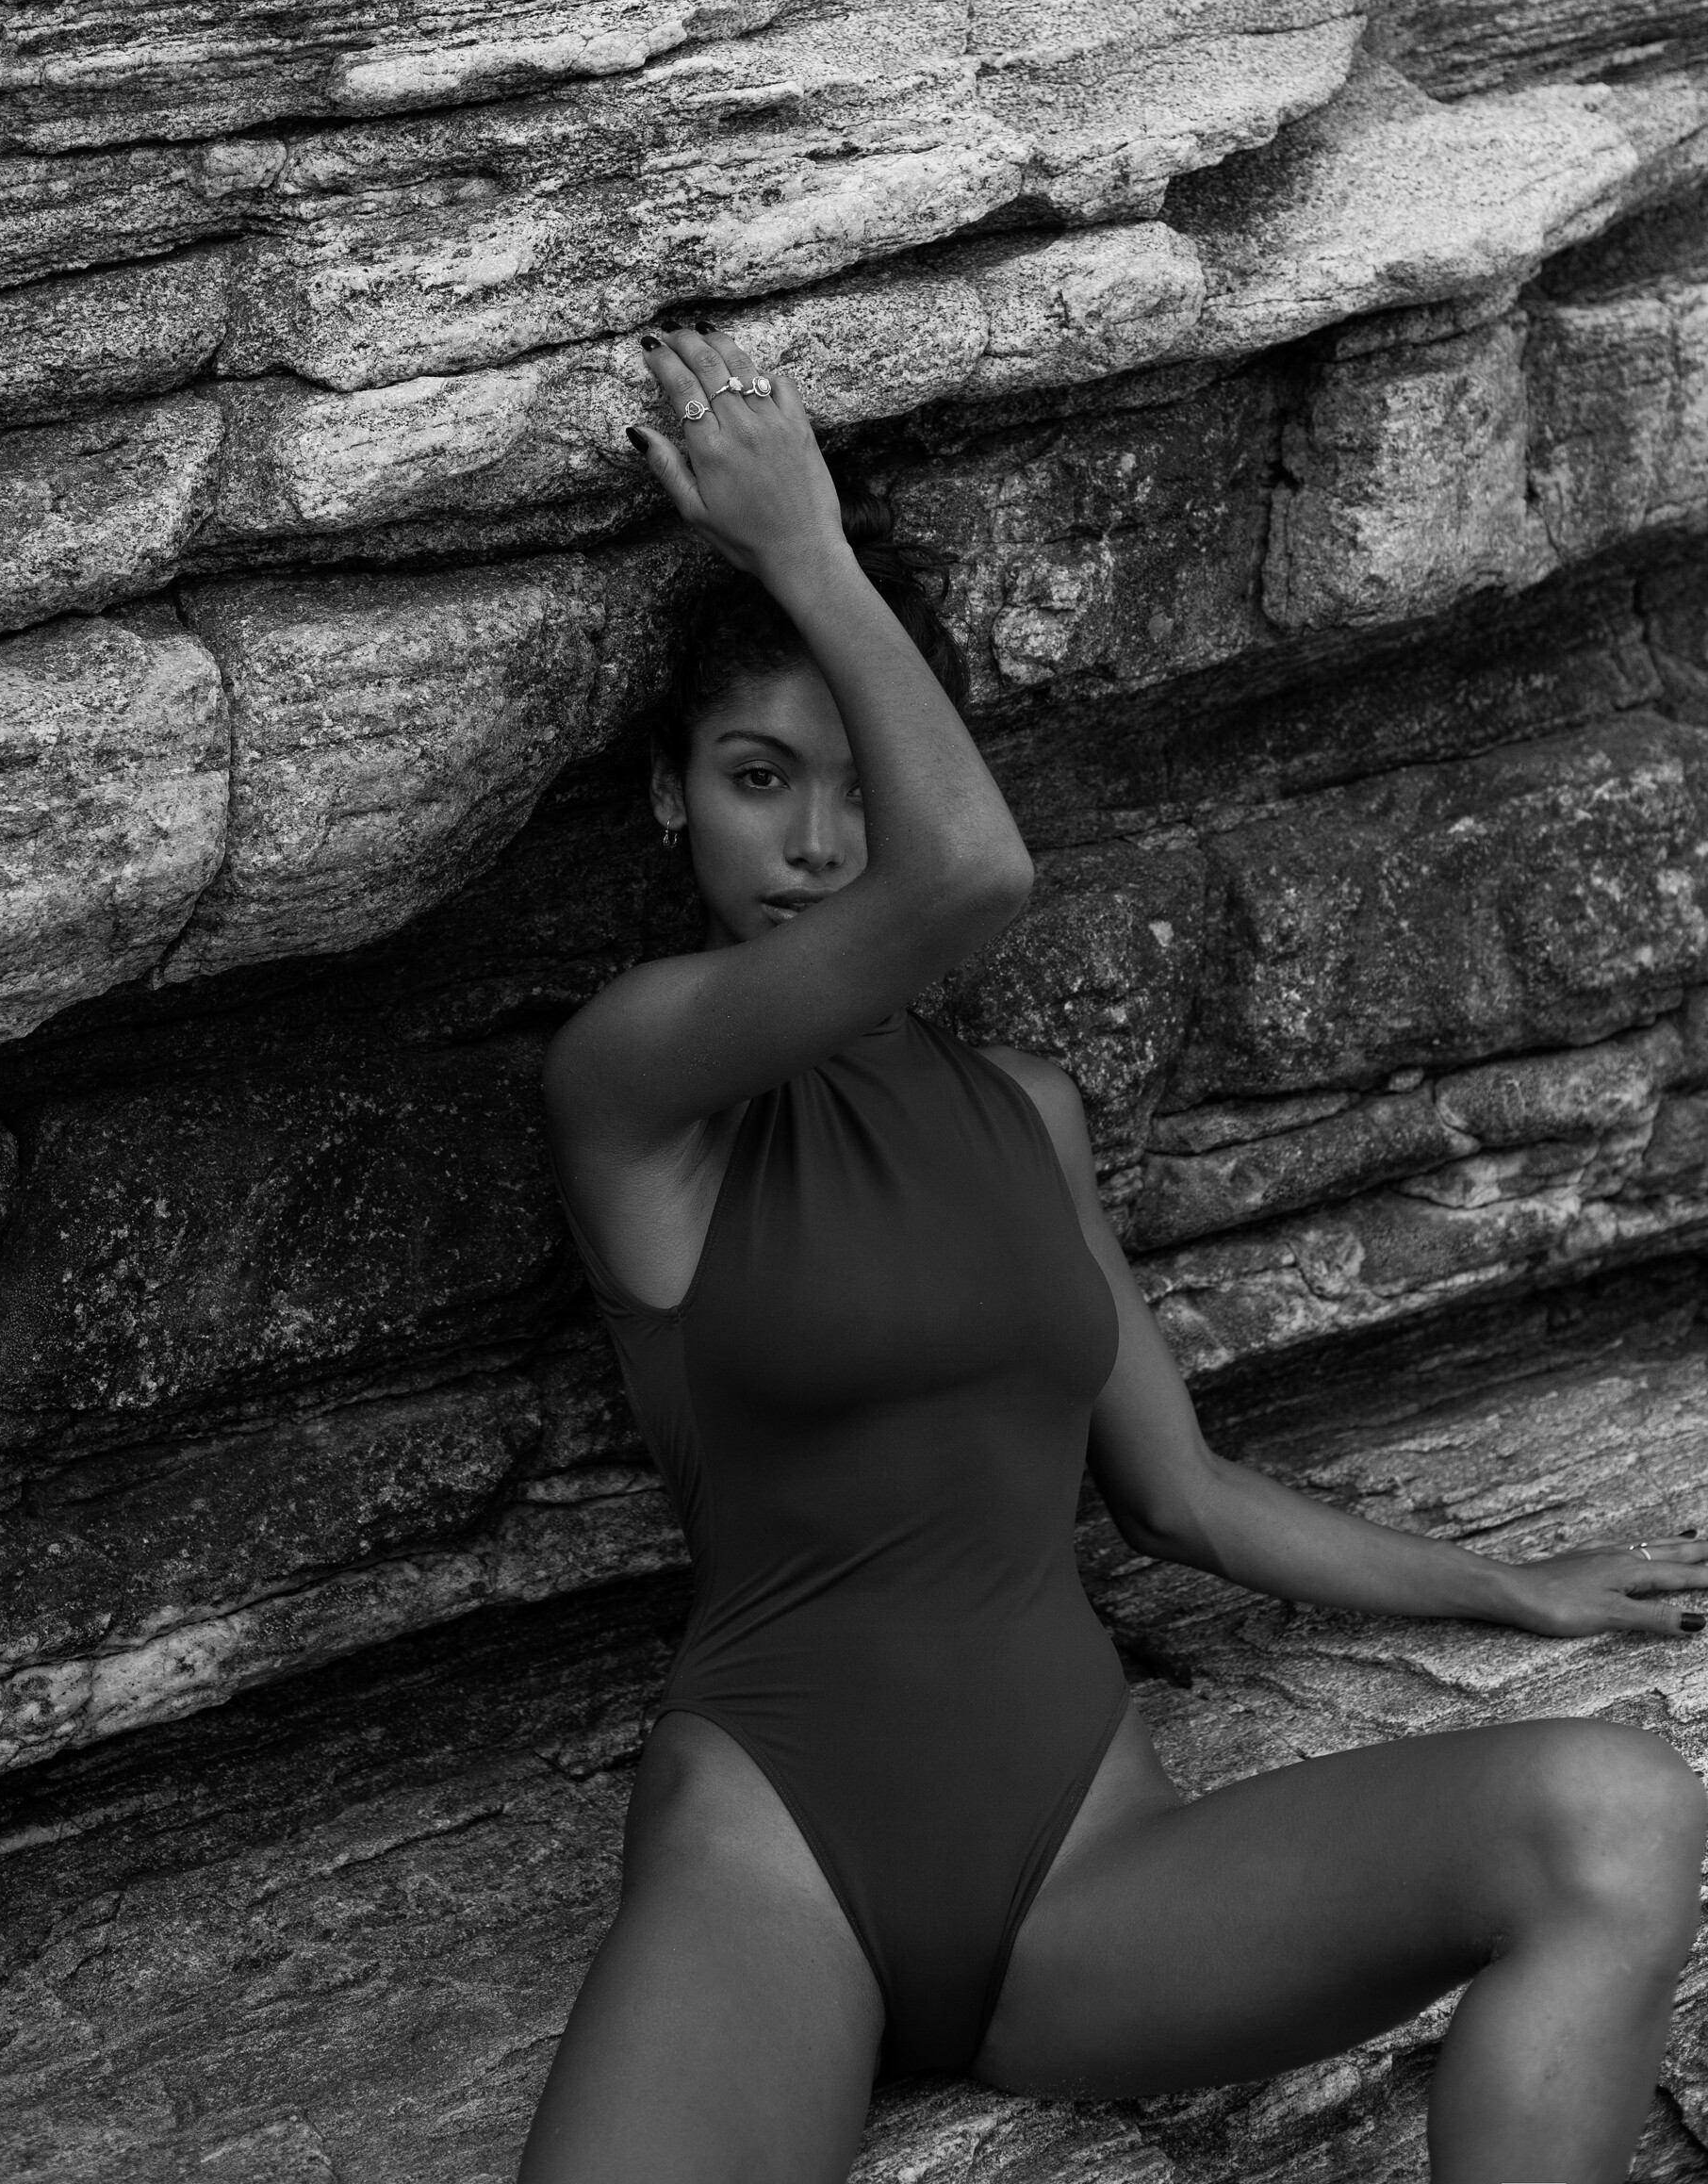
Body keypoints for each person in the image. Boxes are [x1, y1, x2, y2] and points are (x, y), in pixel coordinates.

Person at [528, 323, 1707, 2184]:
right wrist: (802, 549)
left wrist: (1512, 1588)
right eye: (758, 779)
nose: (818, 843)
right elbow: (968, 880)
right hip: (773, 1849)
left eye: (858, 783)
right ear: (673, 795)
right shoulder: (635, 1086)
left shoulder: (1026, 1115)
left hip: (1081, 1870)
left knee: (1621, 1815)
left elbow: (1181, 1499)